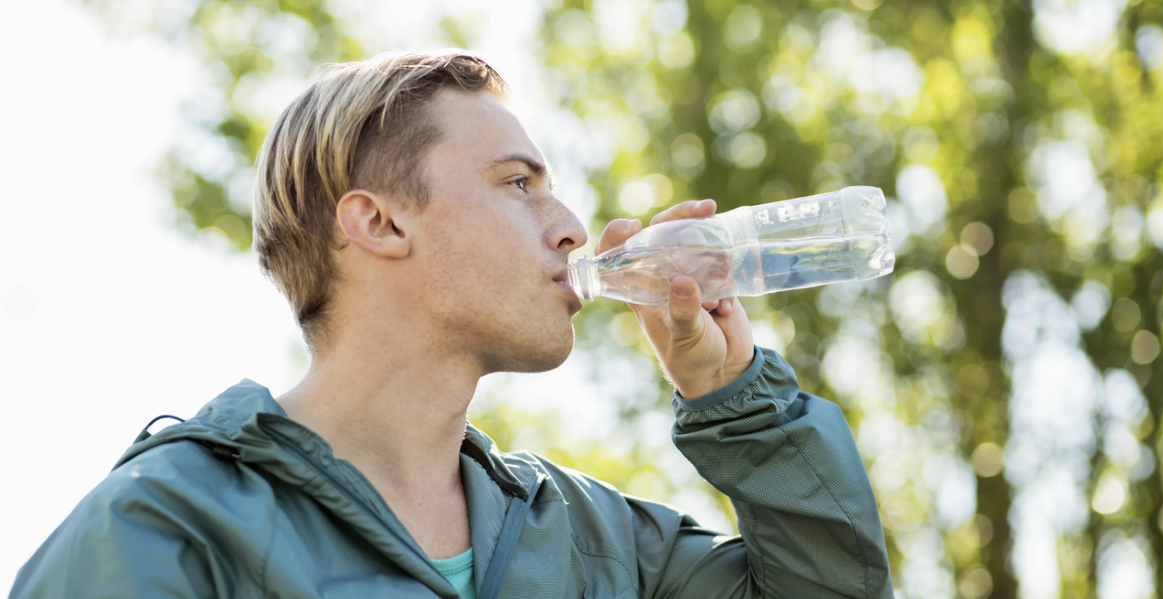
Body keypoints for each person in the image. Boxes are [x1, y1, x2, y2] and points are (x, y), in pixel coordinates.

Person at [11, 51, 893, 599]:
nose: (573, 227)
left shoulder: (597, 545)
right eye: (519, 183)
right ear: (382, 223)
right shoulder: (172, 526)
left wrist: (730, 395)